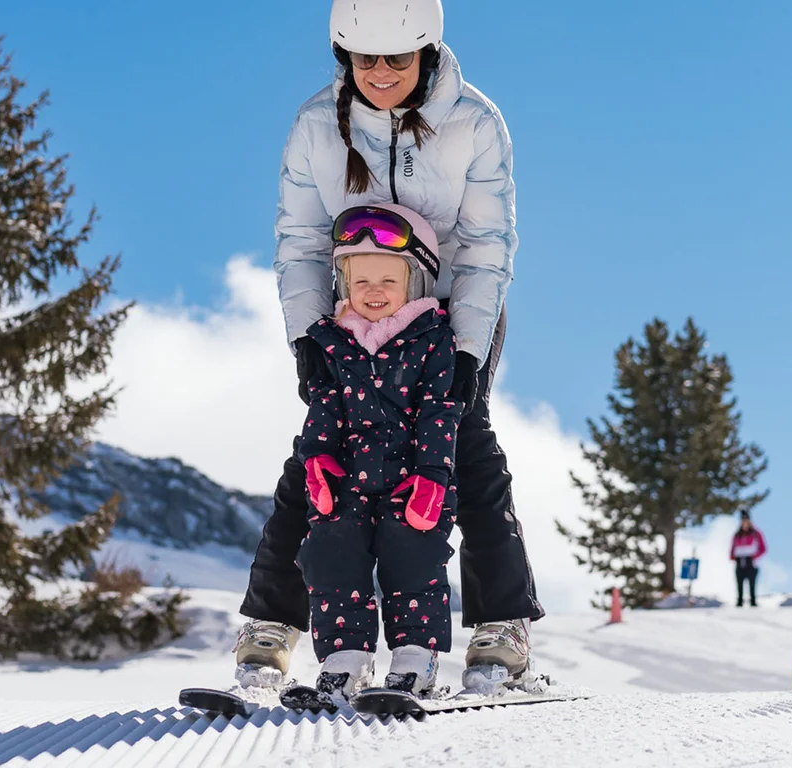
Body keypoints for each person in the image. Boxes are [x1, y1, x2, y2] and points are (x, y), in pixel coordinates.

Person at [242, 0, 542, 692]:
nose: (380, 73)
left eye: (397, 60)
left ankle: (502, 625)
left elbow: (487, 247)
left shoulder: (473, 123)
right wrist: (306, 336)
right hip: (353, 313)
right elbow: (302, 238)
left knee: (467, 446)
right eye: (364, 59)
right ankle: (271, 625)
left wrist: (467, 350)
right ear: (344, 55)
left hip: (452, 312)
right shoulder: (318, 124)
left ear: (427, 53)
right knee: (318, 457)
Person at [293, 204, 461, 702]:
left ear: (415, 283)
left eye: (387, 279)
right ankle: (344, 660)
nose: (372, 291)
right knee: (330, 555)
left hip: (413, 479)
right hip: (345, 477)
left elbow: (440, 409)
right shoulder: (331, 341)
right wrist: (317, 459)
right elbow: (323, 405)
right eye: (359, 279)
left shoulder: (432, 341)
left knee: (413, 558)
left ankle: (415, 657)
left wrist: (433, 475)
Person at [730, 511, 768, 608]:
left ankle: (753, 601)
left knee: (751, 583)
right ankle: (739, 601)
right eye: (743, 520)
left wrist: (754, 557)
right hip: (740, 561)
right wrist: (733, 557)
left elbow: (763, 548)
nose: (745, 522)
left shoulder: (756, 534)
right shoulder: (737, 534)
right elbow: (732, 549)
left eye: (746, 520)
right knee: (739, 583)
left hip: (751, 562)